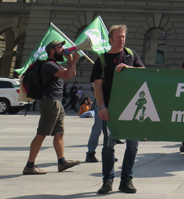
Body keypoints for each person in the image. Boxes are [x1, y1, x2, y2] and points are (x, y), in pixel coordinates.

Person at [91, 24, 145, 194]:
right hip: (110, 109)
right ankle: (107, 181)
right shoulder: (102, 59)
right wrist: (101, 107)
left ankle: (126, 180)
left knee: (132, 146)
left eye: (123, 36)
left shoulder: (130, 55)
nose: (122, 39)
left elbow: (143, 72)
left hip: (131, 109)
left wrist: (130, 69)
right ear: (111, 39)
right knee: (108, 146)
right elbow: (97, 86)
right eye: (119, 37)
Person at [23, 40, 81, 175]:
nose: (63, 49)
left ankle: (62, 162)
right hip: (50, 102)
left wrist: (72, 61)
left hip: (56, 102)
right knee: (42, 133)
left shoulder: (55, 65)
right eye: (60, 47)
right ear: (52, 50)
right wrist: (73, 61)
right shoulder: (49, 65)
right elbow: (67, 75)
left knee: (59, 133)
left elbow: (72, 74)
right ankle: (29, 165)